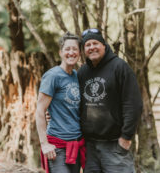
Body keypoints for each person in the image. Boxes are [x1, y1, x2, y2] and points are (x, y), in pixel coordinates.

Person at [78, 28, 143, 173]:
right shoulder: (82, 72)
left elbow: (133, 104)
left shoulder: (120, 67)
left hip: (114, 145)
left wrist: (126, 137)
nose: (92, 47)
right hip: (90, 147)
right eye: (87, 45)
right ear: (84, 50)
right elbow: (74, 101)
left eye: (95, 43)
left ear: (104, 46)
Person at [35, 32, 85, 173]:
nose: (71, 52)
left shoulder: (77, 76)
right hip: (57, 146)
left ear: (79, 53)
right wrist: (44, 144)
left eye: (74, 49)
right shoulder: (53, 76)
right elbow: (39, 111)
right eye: (67, 49)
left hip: (75, 144)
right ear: (60, 52)